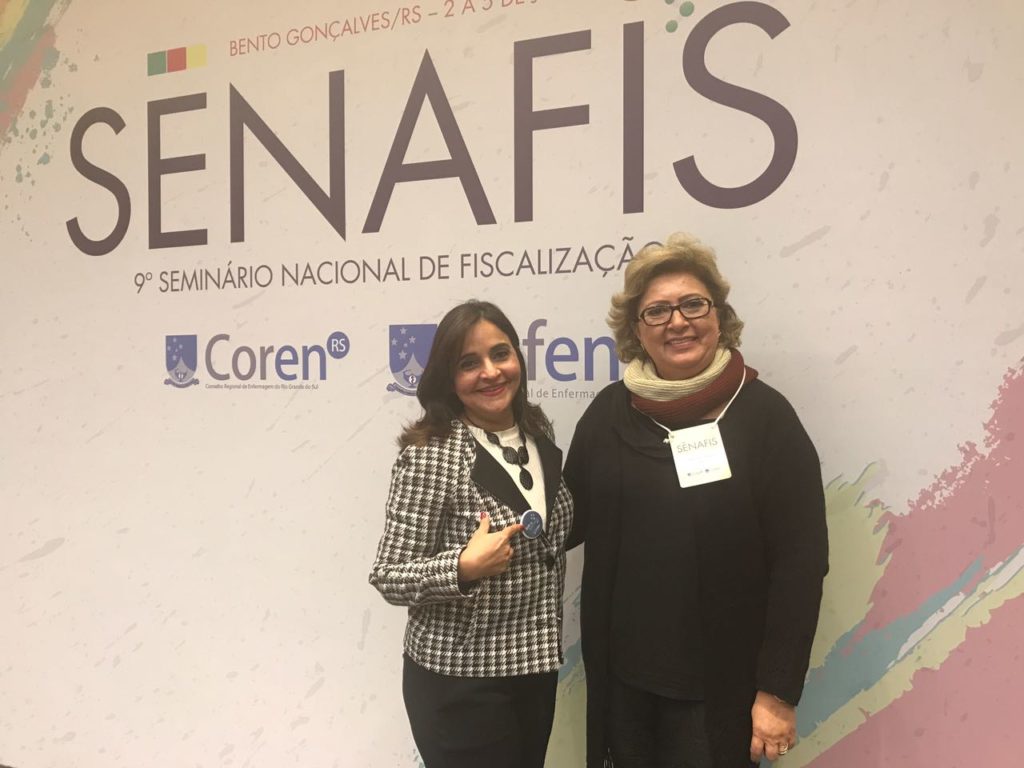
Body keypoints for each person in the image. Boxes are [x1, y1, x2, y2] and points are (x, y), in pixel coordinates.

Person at [564, 233, 829, 768]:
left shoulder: (765, 418)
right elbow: (565, 521)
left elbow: (800, 564)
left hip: (719, 692)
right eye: (657, 311)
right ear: (637, 330)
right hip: (625, 686)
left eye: (692, 304)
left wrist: (778, 692)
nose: (677, 322)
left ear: (719, 317)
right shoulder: (609, 414)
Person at [369, 300, 574, 768]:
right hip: (460, 680)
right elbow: (388, 575)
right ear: (449, 378)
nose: (490, 372)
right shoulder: (432, 455)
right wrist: (461, 567)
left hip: (533, 669)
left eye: (500, 354)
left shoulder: (537, 432)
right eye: (469, 363)